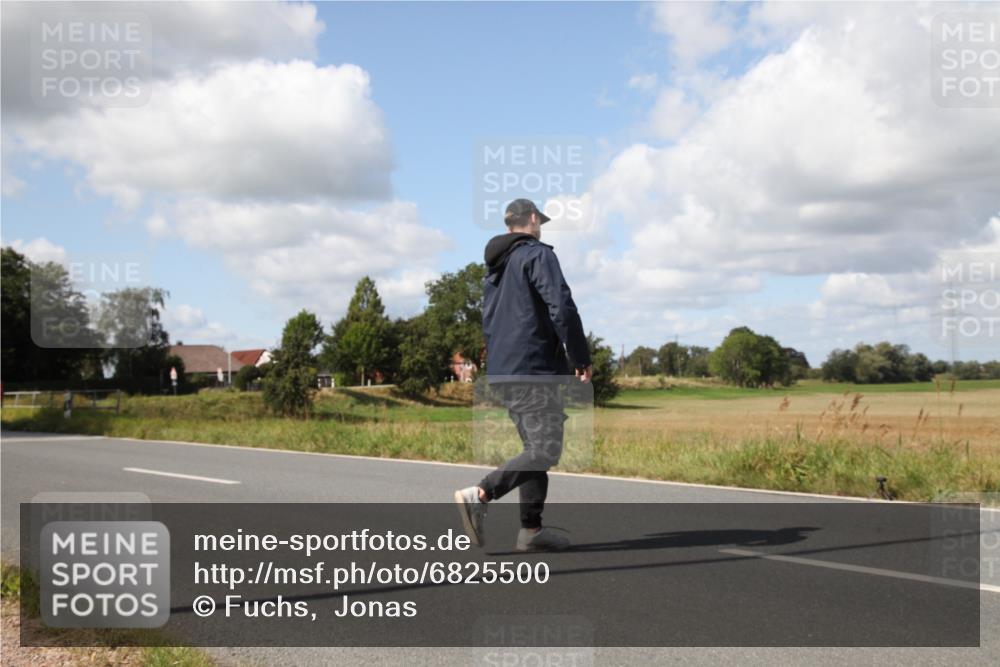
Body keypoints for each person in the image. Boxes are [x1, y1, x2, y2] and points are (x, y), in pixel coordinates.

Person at [454, 198, 592, 552]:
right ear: (532, 218)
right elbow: (562, 306)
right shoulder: (537, 255)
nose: (540, 226)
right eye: (539, 220)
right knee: (545, 449)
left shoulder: (495, 270)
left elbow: (491, 322)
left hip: (505, 371)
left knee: (535, 450)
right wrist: (579, 356)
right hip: (535, 369)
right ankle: (481, 494)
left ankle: (531, 531)